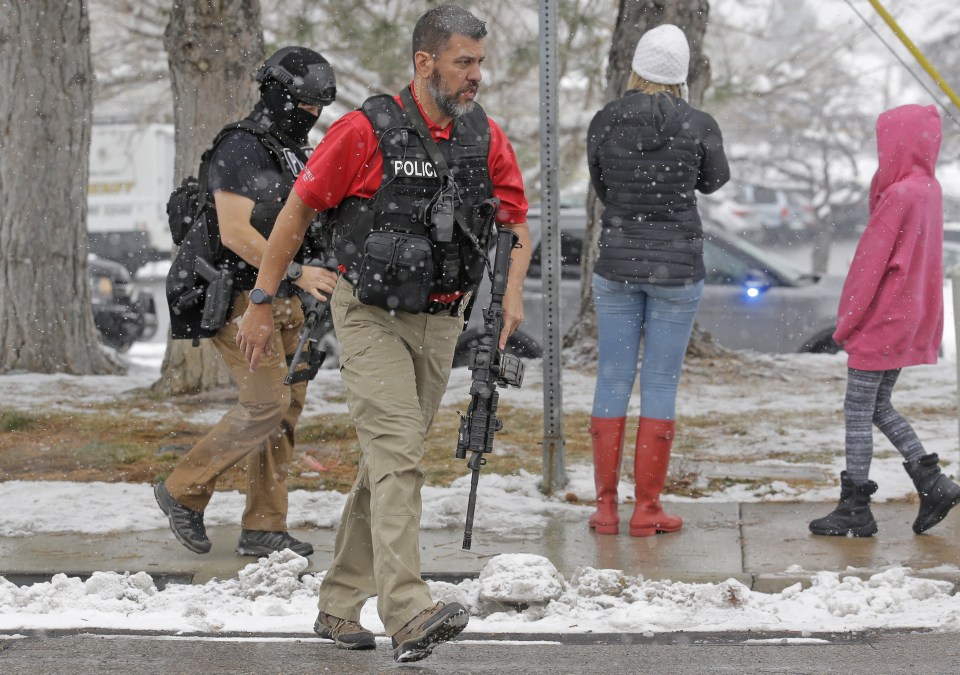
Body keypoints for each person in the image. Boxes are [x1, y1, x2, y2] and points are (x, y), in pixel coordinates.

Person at [236, 5, 530, 662]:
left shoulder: (483, 135)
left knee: (385, 463)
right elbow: (297, 210)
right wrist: (261, 296)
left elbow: (515, 221)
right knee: (400, 455)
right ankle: (409, 609)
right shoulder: (366, 131)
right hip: (367, 314)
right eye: (463, 62)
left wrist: (510, 293)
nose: (475, 76)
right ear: (425, 63)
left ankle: (338, 603)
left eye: (480, 62)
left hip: (441, 320)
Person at [154, 47, 340, 558]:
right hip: (237, 292)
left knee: (286, 411)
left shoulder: (295, 149)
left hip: (284, 296)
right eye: (304, 104)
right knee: (266, 403)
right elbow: (237, 233)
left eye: (319, 106)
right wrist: (299, 271)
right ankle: (181, 490)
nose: (312, 115)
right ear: (278, 94)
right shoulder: (241, 145)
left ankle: (264, 526)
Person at [585, 24, 730, 537]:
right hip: (677, 268)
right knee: (661, 382)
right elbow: (713, 181)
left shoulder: (605, 120)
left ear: (638, 67)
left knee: (612, 377)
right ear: (682, 73)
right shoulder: (698, 123)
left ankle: (605, 508)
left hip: (617, 267)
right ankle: (647, 509)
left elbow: (601, 185)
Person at [809, 104, 960, 538]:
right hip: (908, 316)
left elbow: (868, 267)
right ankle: (931, 481)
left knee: (857, 409)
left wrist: (847, 323)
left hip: (882, 317)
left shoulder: (897, 196)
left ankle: (855, 506)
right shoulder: (929, 189)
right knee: (877, 405)